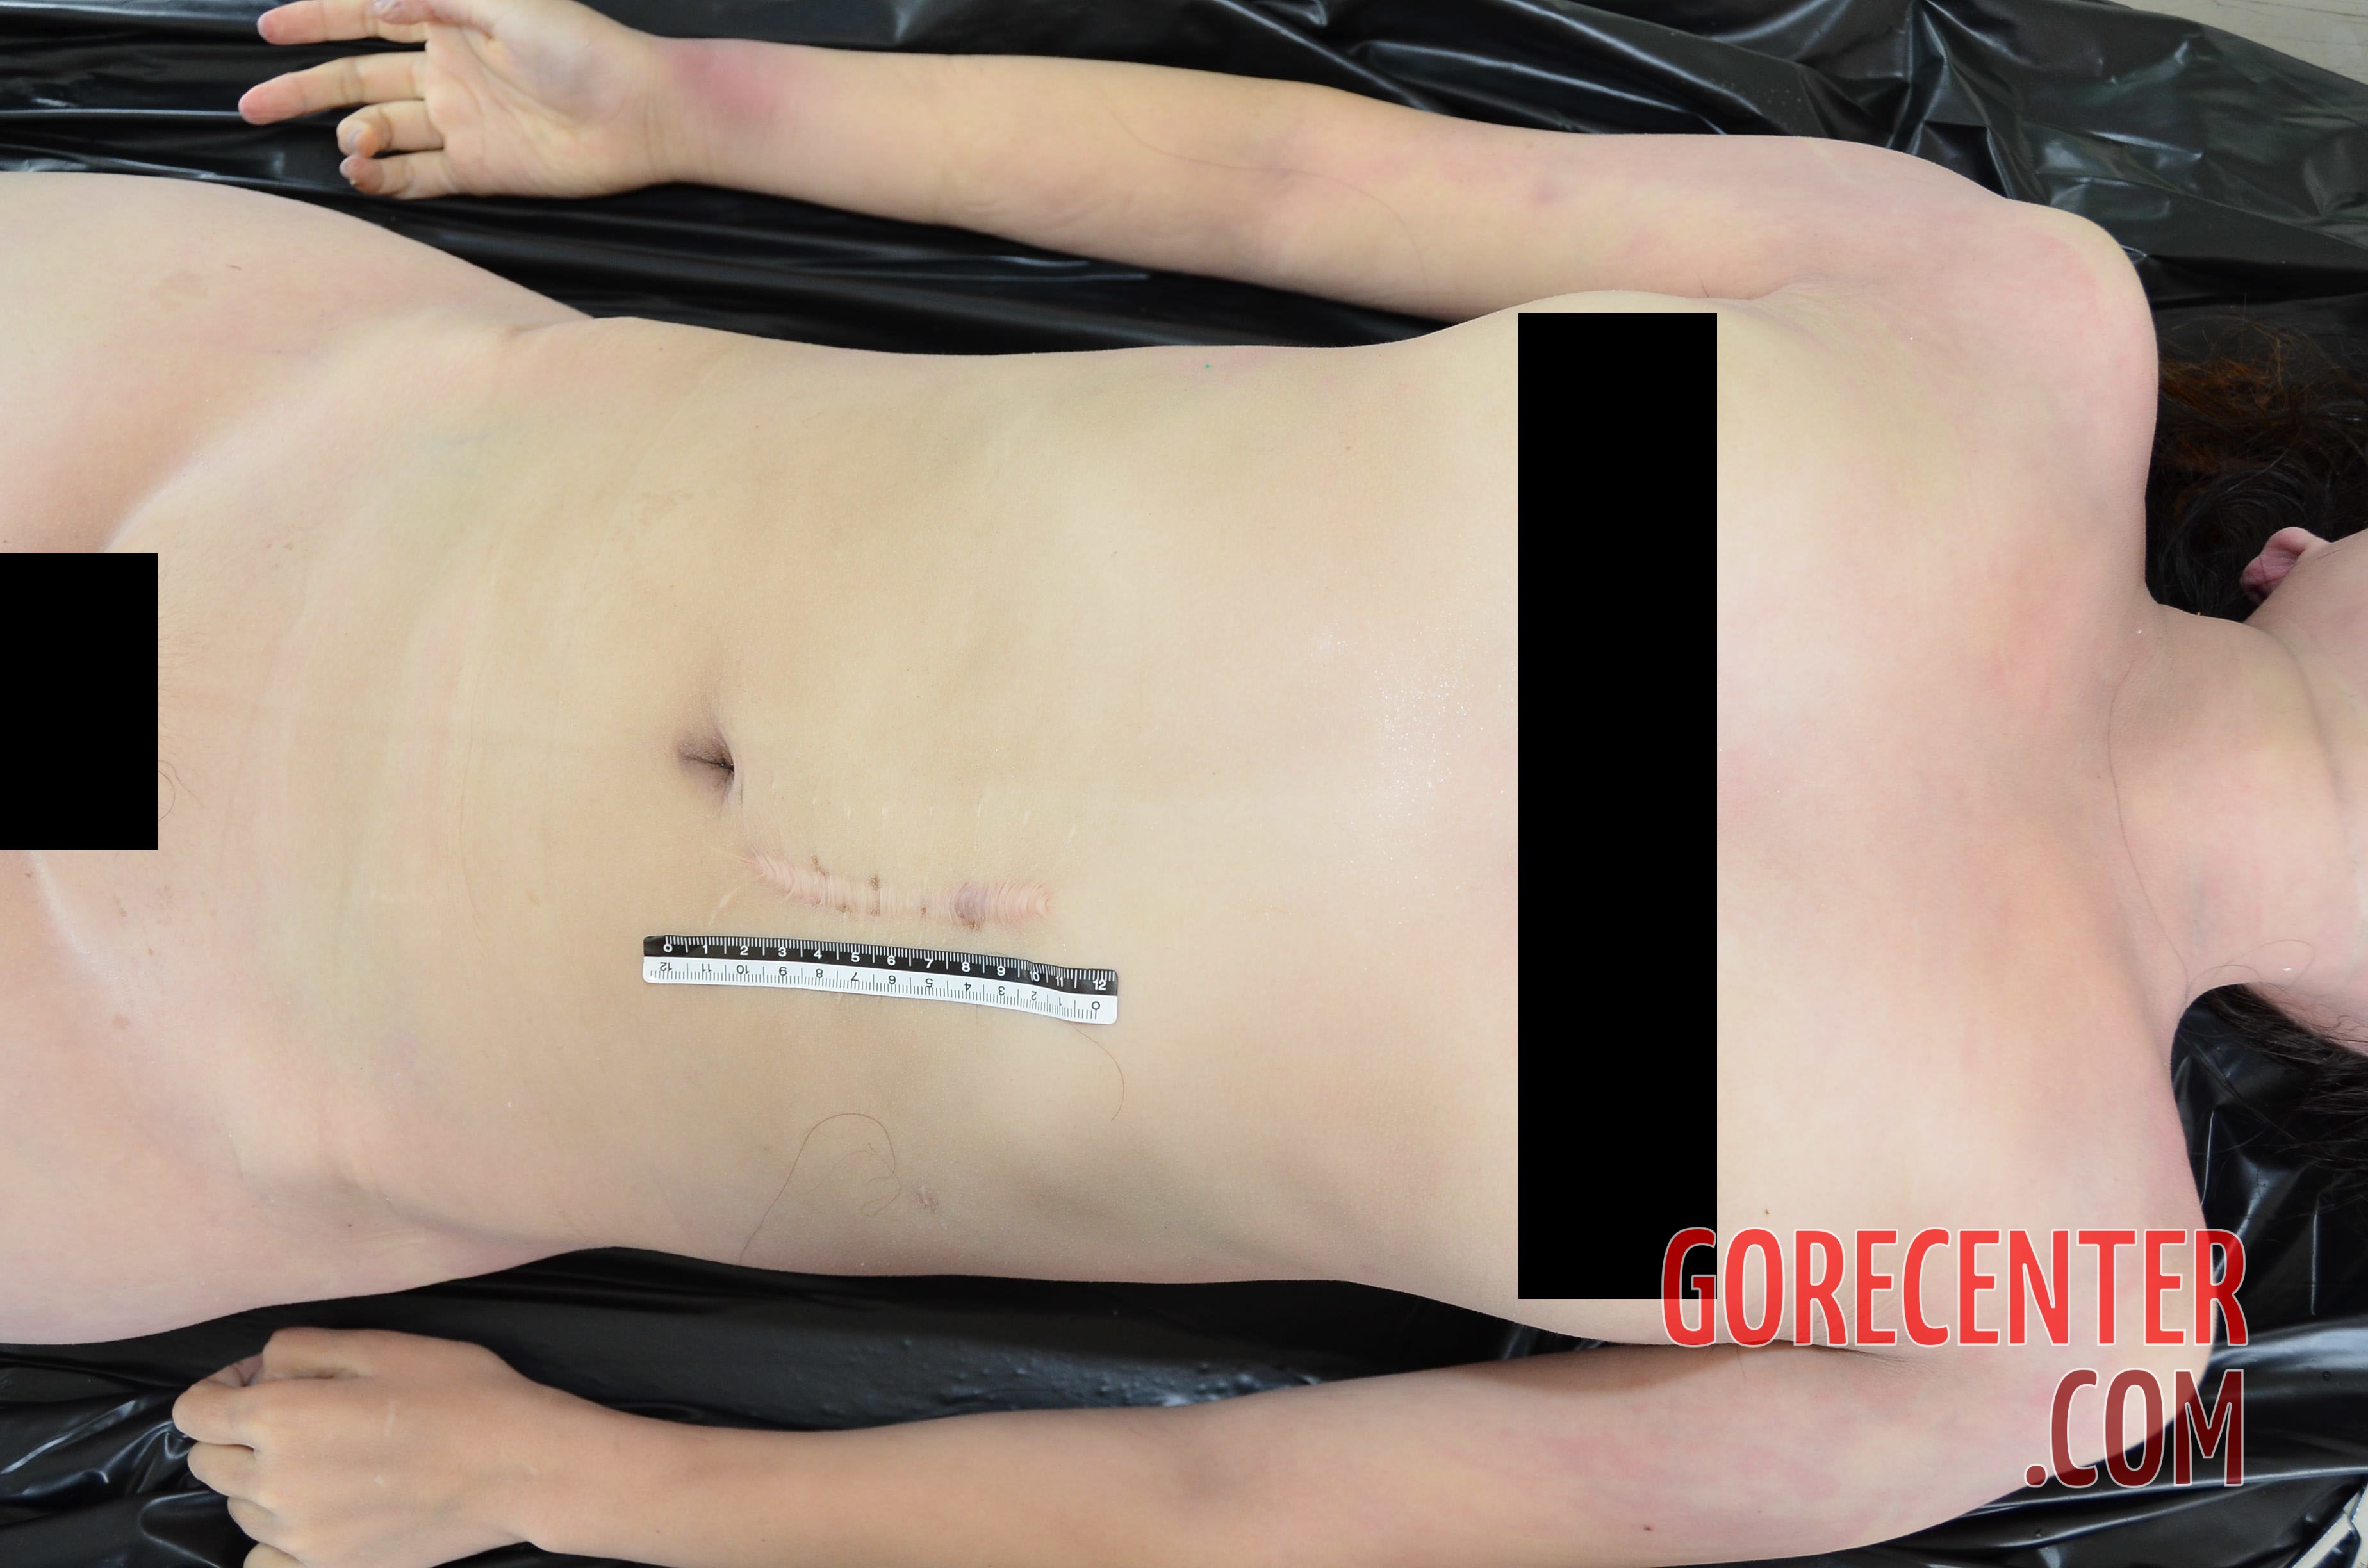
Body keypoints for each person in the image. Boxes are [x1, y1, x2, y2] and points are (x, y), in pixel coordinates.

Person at [4, 0, 2331, 1560]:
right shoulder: (2008, 337)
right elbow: (1304, 183)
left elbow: (1257, 1513)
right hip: (205, 461)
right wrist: (686, 107)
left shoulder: (2049, 1320)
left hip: (176, 1052)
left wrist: (589, 1491)